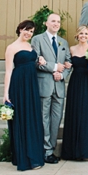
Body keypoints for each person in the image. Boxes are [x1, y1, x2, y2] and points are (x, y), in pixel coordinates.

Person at [3, 20, 44, 171]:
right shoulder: (11, 48)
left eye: (31, 31)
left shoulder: (30, 46)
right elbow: (8, 71)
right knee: (22, 119)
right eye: (26, 30)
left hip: (32, 85)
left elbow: (32, 62)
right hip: (19, 85)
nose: (28, 33)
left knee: (32, 118)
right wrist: (6, 93)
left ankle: (34, 155)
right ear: (20, 29)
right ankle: (25, 158)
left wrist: (39, 60)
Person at [31, 13, 71, 164]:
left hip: (59, 87)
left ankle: (51, 149)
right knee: (43, 118)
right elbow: (35, 60)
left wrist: (62, 75)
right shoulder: (37, 39)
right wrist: (54, 67)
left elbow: (68, 62)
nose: (56, 24)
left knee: (56, 119)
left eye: (58, 22)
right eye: (53, 21)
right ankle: (44, 150)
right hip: (44, 85)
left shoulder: (63, 42)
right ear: (46, 23)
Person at [60, 25, 88, 161]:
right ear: (77, 35)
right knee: (74, 112)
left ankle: (87, 151)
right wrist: (67, 65)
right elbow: (68, 64)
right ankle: (72, 151)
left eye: (85, 34)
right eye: (81, 34)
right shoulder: (71, 49)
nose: (83, 36)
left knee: (87, 114)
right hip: (75, 82)